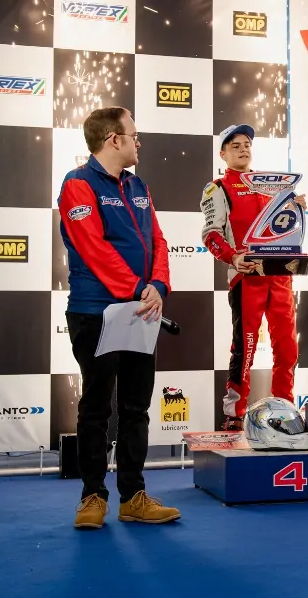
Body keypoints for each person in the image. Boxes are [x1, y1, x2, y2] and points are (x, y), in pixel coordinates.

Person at [58, 106, 181, 529]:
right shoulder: (77, 183)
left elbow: (158, 240)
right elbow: (92, 247)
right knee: (96, 407)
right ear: (114, 139)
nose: (138, 142)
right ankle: (92, 496)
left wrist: (158, 285)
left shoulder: (138, 184)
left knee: (135, 407)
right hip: (96, 312)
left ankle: (133, 497)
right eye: (134, 135)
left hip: (141, 310)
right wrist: (137, 288)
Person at [200, 124, 307, 430]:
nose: (243, 149)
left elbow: (285, 229)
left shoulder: (273, 186)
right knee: (245, 348)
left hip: (280, 276)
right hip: (246, 278)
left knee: (287, 348)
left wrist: (297, 209)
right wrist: (233, 257)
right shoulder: (217, 188)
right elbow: (211, 234)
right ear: (223, 154)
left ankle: (285, 409)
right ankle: (234, 414)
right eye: (235, 146)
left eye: (247, 144)